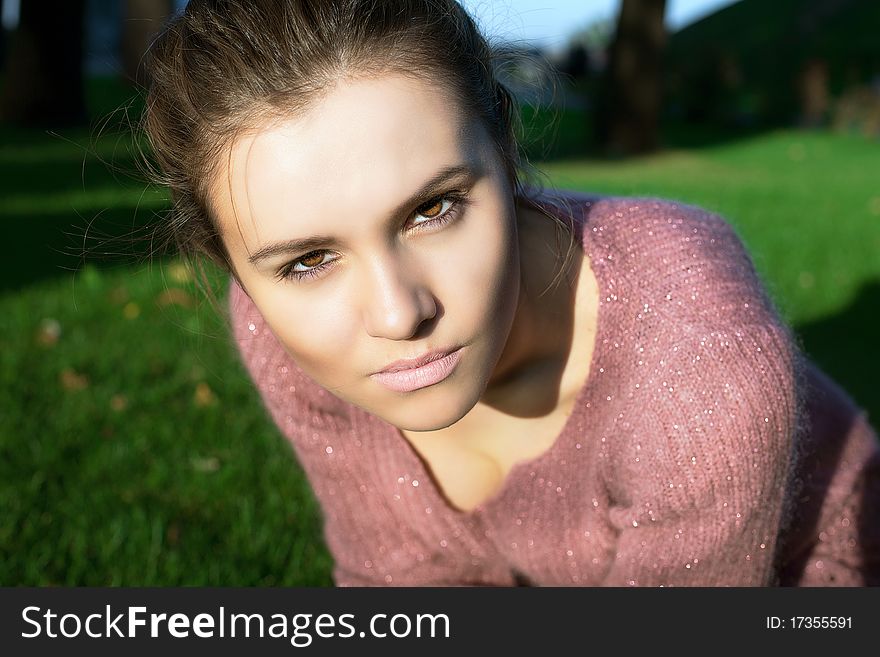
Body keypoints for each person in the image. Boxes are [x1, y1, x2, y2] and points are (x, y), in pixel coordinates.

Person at [140, 0, 880, 586]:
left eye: (434, 209)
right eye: (307, 260)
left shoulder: (695, 355)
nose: (400, 313)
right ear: (231, 263)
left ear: (506, 153)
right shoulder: (277, 337)